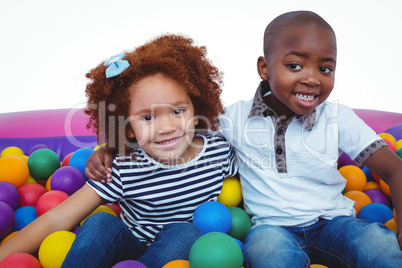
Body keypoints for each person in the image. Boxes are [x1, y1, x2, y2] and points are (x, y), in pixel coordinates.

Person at [86, 11, 402, 267]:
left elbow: (394, 169)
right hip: (271, 229)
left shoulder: (338, 117)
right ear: (264, 68)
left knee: (381, 247)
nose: (311, 77)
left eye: (326, 68)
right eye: (294, 65)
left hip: (335, 222)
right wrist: (111, 146)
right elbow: (172, 122)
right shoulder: (234, 118)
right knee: (267, 256)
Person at [0, 34, 237, 267]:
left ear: (196, 112)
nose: (167, 127)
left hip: (175, 251)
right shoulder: (123, 165)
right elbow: (57, 217)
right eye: (148, 117)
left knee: (187, 233)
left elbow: (263, 176)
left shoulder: (218, 152)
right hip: (128, 245)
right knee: (101, 222)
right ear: (128, 128)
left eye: (178, 111)